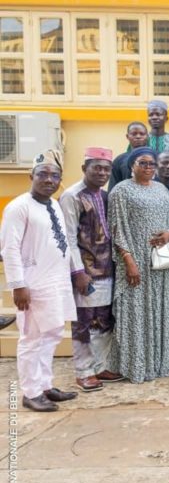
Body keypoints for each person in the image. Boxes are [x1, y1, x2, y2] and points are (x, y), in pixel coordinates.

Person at [2, 151, 79, 411]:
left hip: (56, 283)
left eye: (55, 175)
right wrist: (17, 285)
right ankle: (31, 392)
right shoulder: (18, 207)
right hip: (32, 284)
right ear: (31, 176)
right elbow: (9, 249)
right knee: (31, 338)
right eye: (43, 174)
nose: (49, 180)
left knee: (52, 334)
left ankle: (45, 385)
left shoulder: (54, 204)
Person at [108, 147, 169, 384]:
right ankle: (136, 365)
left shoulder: (161, 188)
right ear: (132, 165)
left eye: (152, 164)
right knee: (136, 312)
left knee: (159, 309)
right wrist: (129, 261)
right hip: (135, 261)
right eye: (143, 163)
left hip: (159, 263)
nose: (149, 168)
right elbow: (116, 228)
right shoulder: (121, 191)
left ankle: (160, 363)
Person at [59, 147, 123, 392]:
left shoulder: (105, 196)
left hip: (106, 270)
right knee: (84, 323)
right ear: (84, 168)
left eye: (106, 169)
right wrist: (78, 272)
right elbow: (68, 239)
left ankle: (100, 366)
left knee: (103, 321)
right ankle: (84, 372)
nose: (102, 173)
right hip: (85, 273)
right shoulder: (72, 196)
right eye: (97, 167)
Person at [110, 121, 149, 190]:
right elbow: (113, 188)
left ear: (147, 136)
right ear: (127, 136)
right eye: (134, 134)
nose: (138, 136)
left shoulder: (156, 158)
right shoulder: (119, 160)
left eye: (142, 134)